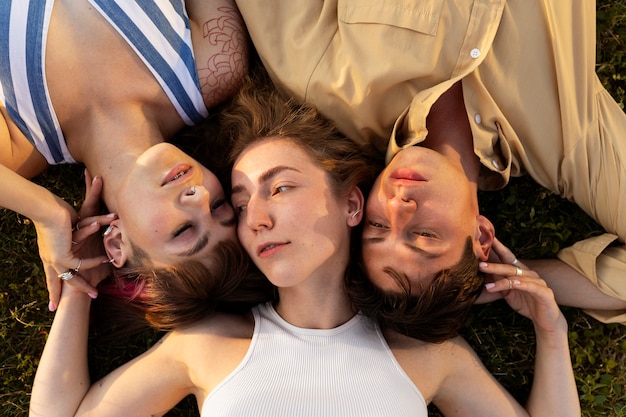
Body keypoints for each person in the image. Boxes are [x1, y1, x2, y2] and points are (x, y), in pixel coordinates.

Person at [29, 75, 579, 417]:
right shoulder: (204, 346)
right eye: (240, 205)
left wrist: (552, 336)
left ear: (352, 206)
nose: (258, 219)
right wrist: (80, 285)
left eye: (282, 188)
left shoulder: (427, 355)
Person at [234, 0, 626, 331]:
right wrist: (509, 280)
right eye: (423, 235)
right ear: (483, 238)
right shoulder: (569, 142)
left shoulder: (323, 84)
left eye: (378, 227)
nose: (398, 207)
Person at [0, 0, 250, 311]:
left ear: (117, 243)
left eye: (184, 230)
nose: (199, 195)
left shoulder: (22, 142)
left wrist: (46, 212)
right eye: (219, 205)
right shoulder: (216, 66)